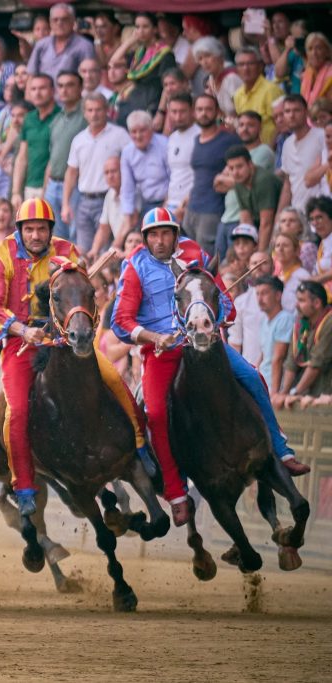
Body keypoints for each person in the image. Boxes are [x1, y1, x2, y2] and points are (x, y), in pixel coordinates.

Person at [111, 208, 309, 526]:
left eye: (165, 234)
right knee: (156, 414)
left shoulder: (195, 253)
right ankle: (175, 492)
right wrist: (154, 337)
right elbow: (120, 321)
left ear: (176, 234)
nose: (160, 241)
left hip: (204, 341)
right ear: (146, 239)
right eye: (153, 235)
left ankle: (281, 451)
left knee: (252, 376)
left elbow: (225, 301)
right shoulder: (135, 264)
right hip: (161, 350)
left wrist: (212, 321)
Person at [0, 198, 150, 517]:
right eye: (29, 229)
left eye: (41, 229)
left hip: (65, 339)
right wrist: (23, 329)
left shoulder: (67, 250)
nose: (36, 235)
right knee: (16, 411)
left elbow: (79, 292)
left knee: (113, 379)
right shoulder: (1, 255)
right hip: (21, 342)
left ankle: (141, 449)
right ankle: (24, 486)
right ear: (20, 230)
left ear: (50, 230)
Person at [63, 93, 130, 256]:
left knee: (106, 252)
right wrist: (65, 204)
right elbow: (71, 172)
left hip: (109, 199)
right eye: (90, 110)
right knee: (83, 251)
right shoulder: (79, 140)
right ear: (84, 113)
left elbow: (131, 165)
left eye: (98, 109)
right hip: (83, 200)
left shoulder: (120, 135)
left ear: (107, 110)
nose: (94, 114)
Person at [183, 95, 239, 257]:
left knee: (205, 260)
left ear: (217, 112)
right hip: (192, 208)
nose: (204, 113)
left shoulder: (229, 140)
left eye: (208, 109)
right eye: (200, 109)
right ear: (194, 112)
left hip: (212, 209)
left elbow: (242, 169)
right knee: (187, 258)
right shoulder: (196, 140)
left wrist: (224, 178)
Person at [43, 70, 86, 241]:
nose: (64, 90)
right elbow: (52, 157)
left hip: (76, 186)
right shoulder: (57, 119)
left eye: (70, 85)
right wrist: (45, 188)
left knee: (75, 238)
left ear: (80, 88)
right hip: (53, 185)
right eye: (60, 86)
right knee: (55, 240)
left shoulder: (87, 115)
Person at [277, 281, 332, 407]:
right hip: (308, 394)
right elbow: (291, 362)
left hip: (325, 395)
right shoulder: (301, 323)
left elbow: (316, 364)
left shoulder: (329, 322)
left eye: (302, 300)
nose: (297, 305)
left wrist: (295, 392)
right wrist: (284, 393)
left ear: (316, 303)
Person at [10, 74, 59, 209]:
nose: (37, 93)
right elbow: (22, 157)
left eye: (42, 88)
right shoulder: (29, 118)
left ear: (52, 91)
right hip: (30, 186)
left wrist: (46, 189)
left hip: (54, 187)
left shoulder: (61, 116)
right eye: (33, 89)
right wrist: (16, 192)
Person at [119, 110, 169, 237]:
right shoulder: (127, 152)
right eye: (133, 132)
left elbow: (173, 178)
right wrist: (128, 217)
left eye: (142, 131)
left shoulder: (165, 145)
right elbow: (127, 188)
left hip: (168, 202)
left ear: (151, 129)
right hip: (146, 204)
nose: (138, 136)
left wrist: (167, 207)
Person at [278, 95, 325, 215]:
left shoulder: (322, 136)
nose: (291, 115)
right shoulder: (287, 144)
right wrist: (279, 217)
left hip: (321, 211)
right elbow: (287, 185)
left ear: (306, 112)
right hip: (298, 213)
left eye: (296, 110)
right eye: (287, 111)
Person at [227, 145, 282, 249]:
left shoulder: (263, 180)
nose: (235, 172)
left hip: (278, 228)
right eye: (231, 168)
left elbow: (266, 223)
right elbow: (245, 217)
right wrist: (247, 247)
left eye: (239, 166)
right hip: (261, 227)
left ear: (250, 164)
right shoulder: (239, 181)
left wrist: (260, 253)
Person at [26, 2, 94, 84]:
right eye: (55, 20)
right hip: (43, 91)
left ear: (73, 21)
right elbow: (31, 76)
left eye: (64, 19)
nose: (59, 23)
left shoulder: (85, 46)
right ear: (50, 23)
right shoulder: (41, 45)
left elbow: (89, 79)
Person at [233, 47, 281, 146]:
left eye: (250, 64)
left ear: (260, 66)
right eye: (241, 64)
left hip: (271, 149)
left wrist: (270, 148)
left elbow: (282, 124)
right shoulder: (237, 94)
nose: (246, 68)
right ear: (236, 69)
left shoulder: (271, 90)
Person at [254, 275, 295, 391]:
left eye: (264, 293)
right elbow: (264, 354)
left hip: (274, 387)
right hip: (263, 383)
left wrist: (274, 392)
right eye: (257, 294)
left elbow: (278, 358)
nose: (259, 299)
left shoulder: (285, 319)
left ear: (277, 295)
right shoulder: (264, 320)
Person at [163, 93, 198, 220]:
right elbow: (173, 174)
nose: (178, 117)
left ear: (192, 110)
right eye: (174, 112)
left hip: (191, 205)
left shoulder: (200, 136)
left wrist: (186, 203)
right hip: (171, 203)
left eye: (182, 111)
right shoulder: (172, 138)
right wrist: (166, 202)